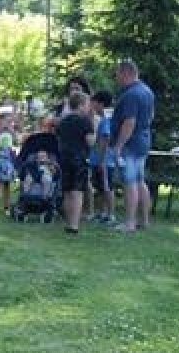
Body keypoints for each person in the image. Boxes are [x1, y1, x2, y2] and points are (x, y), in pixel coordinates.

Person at [110, 59, 155, 233]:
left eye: (118, 74)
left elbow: (129, 122)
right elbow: (150, 117)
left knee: (130, 182)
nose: (116, 78)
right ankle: (144, 221)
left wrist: (119, 145)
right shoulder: (147, 91)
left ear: (126, 73)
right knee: (139, 181)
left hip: (131, 144)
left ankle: (129, 223)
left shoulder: (131, 95)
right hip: (143, 140)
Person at [55, 90, 94, 233]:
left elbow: (59, 137)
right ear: (81, 105)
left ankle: (67, 222)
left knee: (66, 191)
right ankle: (74, 225)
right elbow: (90, 141)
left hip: (64, 157)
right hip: (79, 158)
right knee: (77, 191)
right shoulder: (85, 121)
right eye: (87, 104)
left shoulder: (63, 121)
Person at [88, 91, 116, 224]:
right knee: (100, 187)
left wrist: (101, 160)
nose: (91, 105)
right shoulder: (104, 118)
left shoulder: (106, 120)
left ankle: (110, 214)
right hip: (98, 159)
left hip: (104, 160)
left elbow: (105, 139)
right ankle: (103, 212)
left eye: (93, 102)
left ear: (100, 104)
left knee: (107, 187)